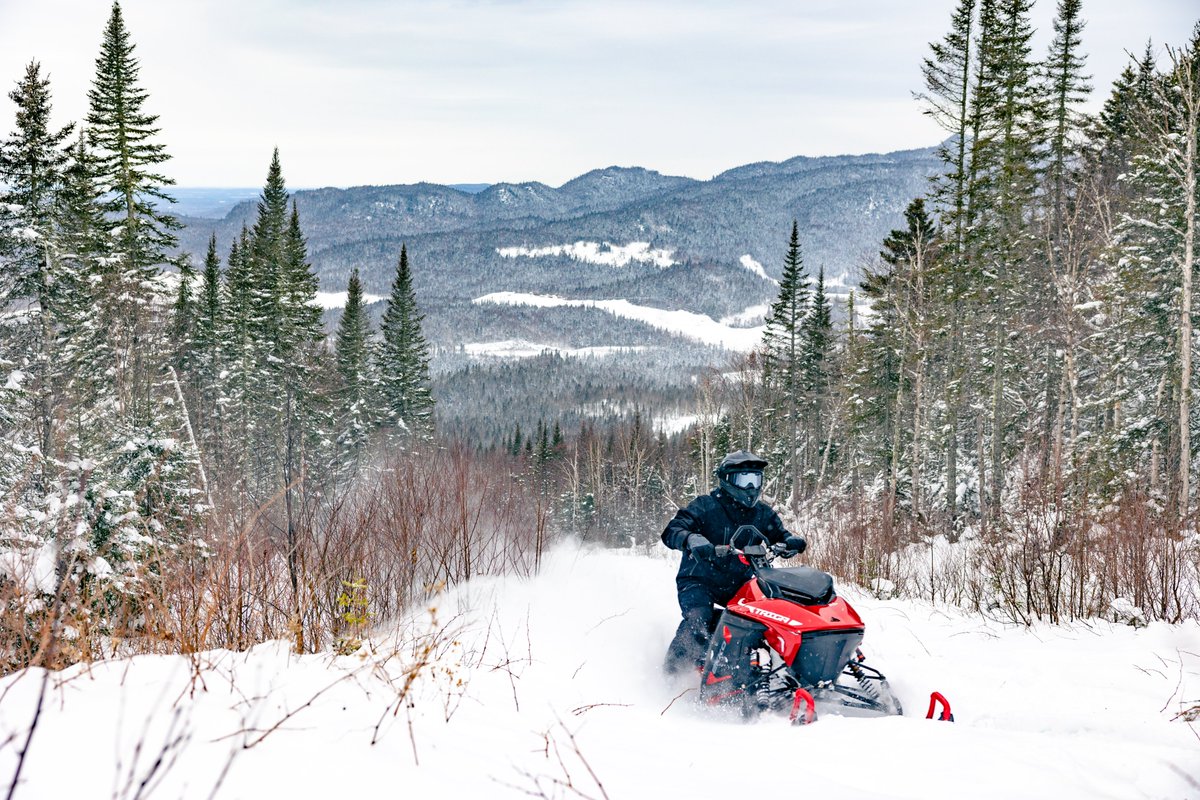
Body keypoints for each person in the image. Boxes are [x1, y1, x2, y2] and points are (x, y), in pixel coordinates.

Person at [660, 450, 807, 675]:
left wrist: (789, 542)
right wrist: (690, 538)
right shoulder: (705, 506)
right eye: (744, 480)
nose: (750, 488)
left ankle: (773, 668)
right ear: (727, 480)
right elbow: (672, 530)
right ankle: (673, 674)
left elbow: (779, 533)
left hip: (742, 581)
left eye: (755, 480)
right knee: (699, 619)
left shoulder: (763, 513)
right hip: (700, 579)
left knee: (776, 615)